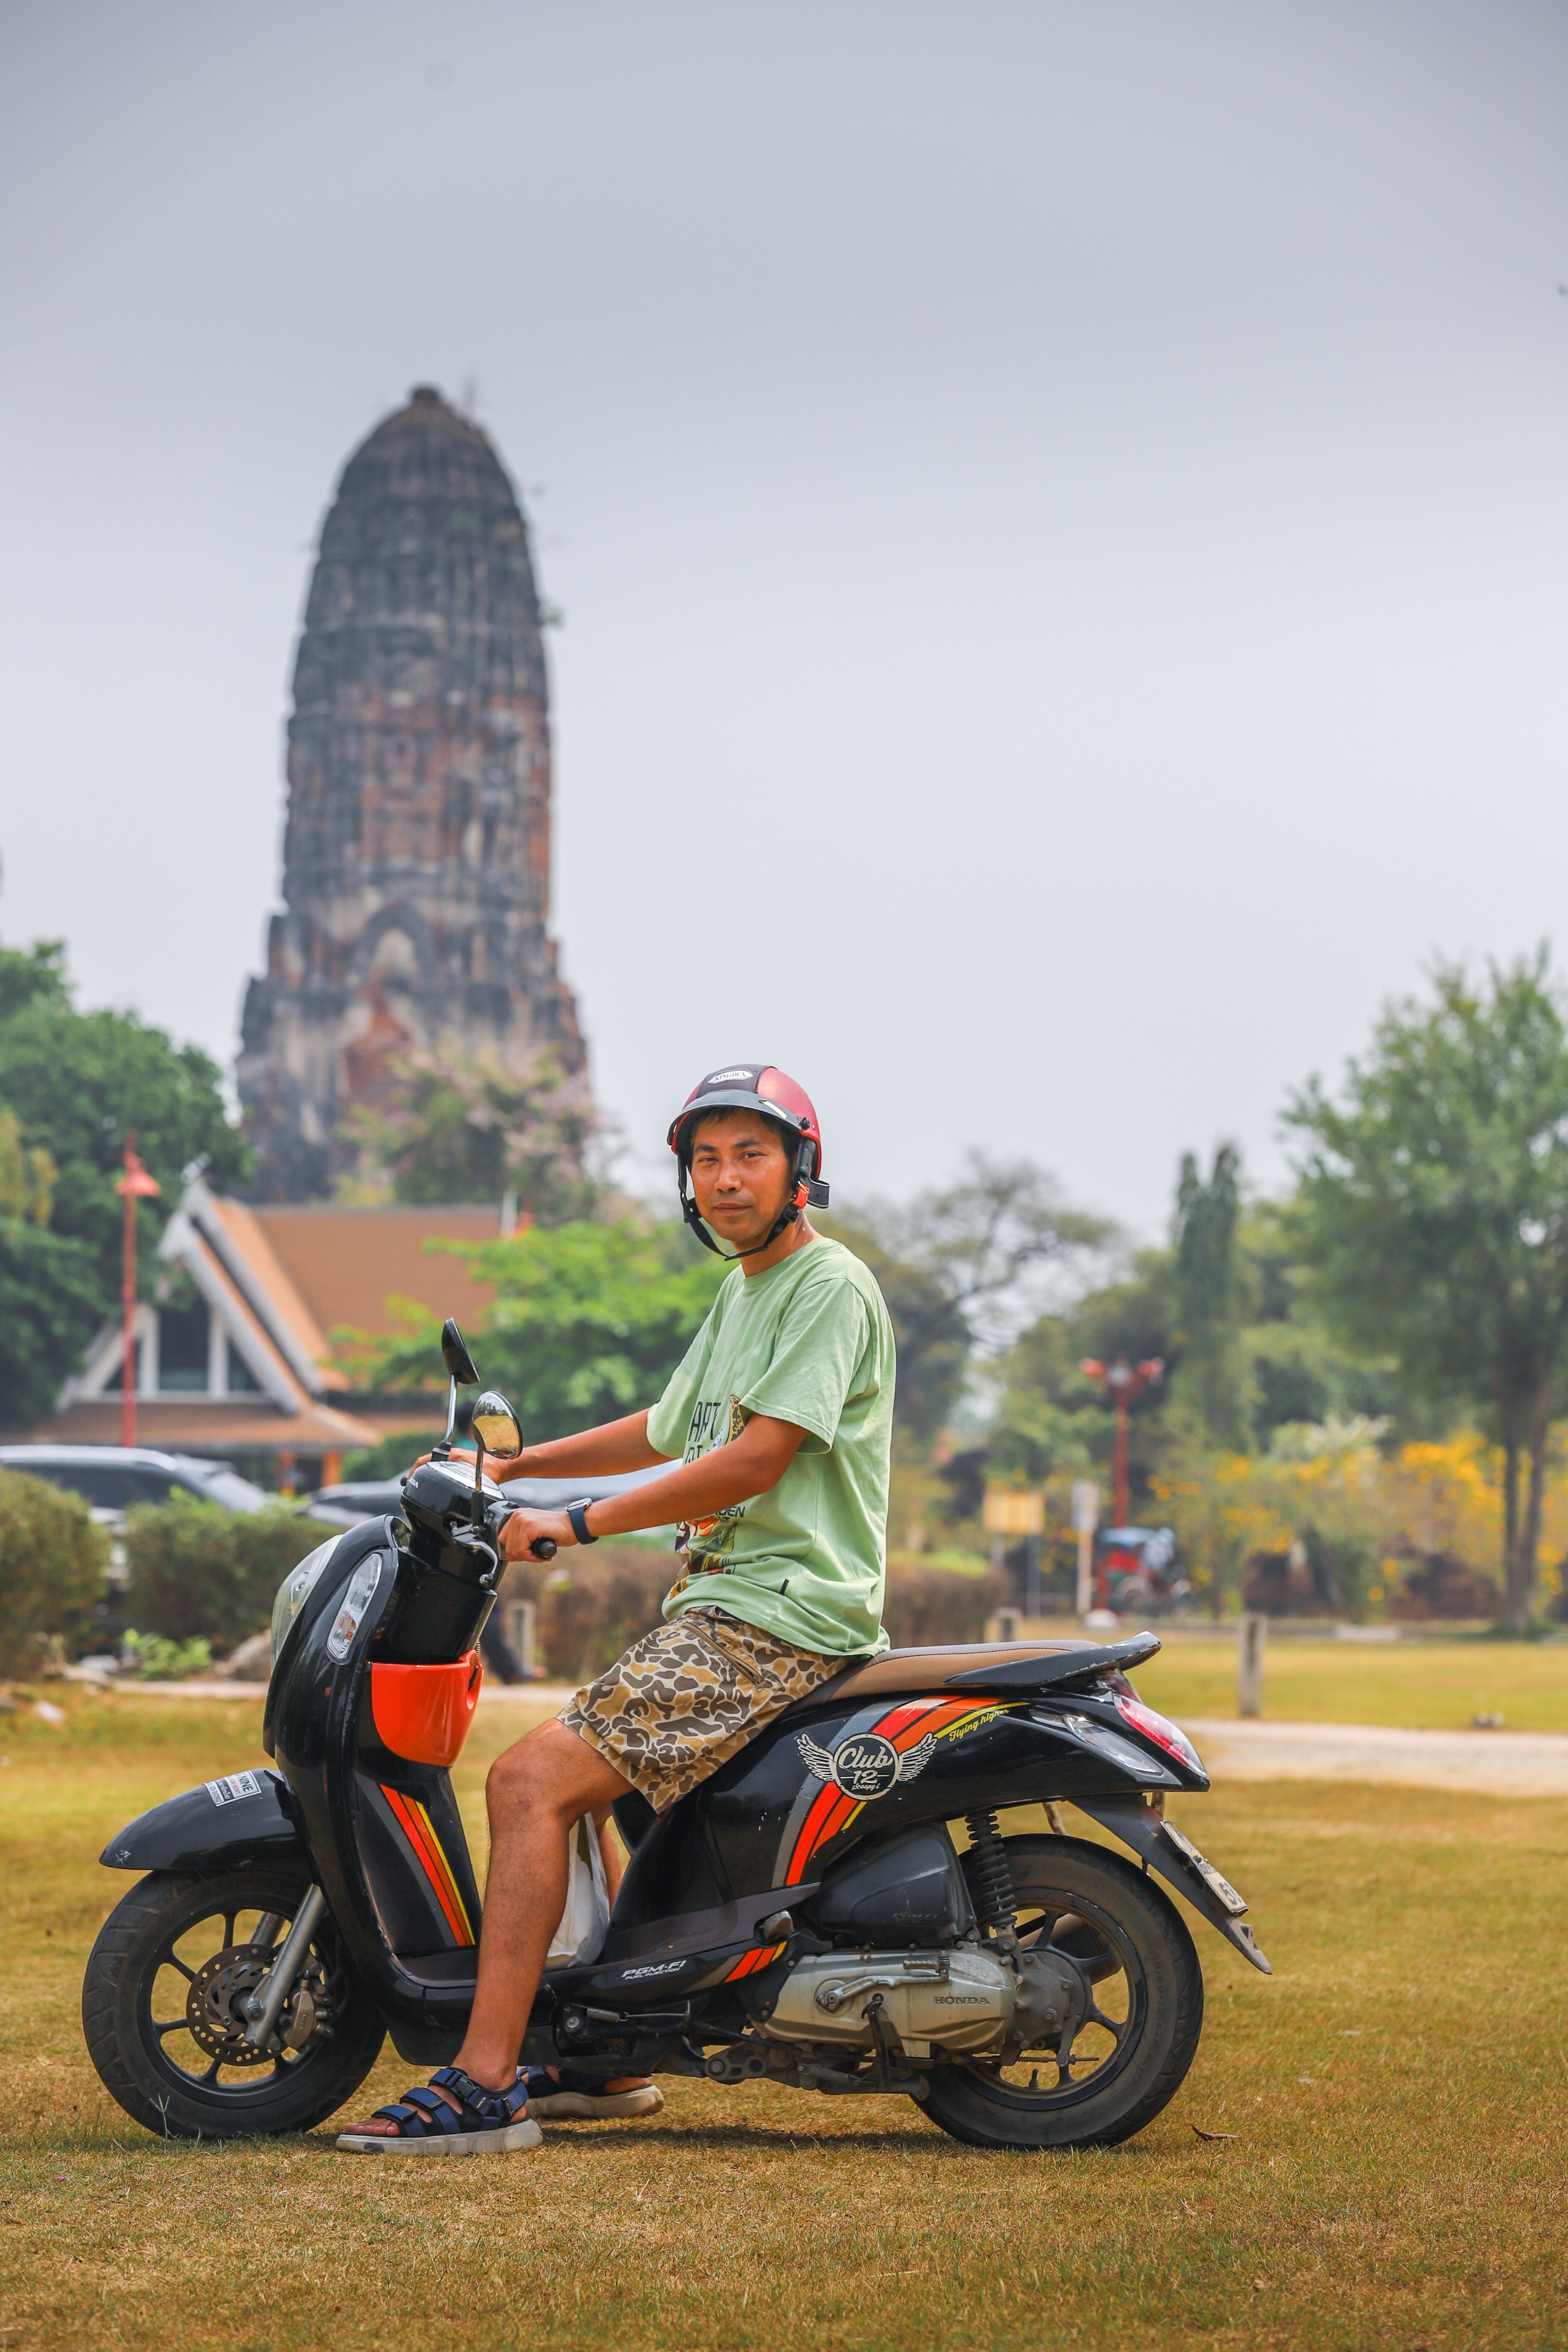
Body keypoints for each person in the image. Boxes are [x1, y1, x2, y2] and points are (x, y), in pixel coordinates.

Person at [336, 1064, 896, 2154]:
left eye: (751, 1154)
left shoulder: (829, 1286)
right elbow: (672, 1426)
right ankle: (606, 2062)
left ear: (801, 1172)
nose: (726, 1178)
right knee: (578, 1778)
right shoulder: (747, 1291)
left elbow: (754, 1459)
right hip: (732, 1607)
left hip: (779, 1616)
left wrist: (578, 1523)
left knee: (529, 1779)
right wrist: (514, 1466)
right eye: (705, 1158)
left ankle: (487, 2077)